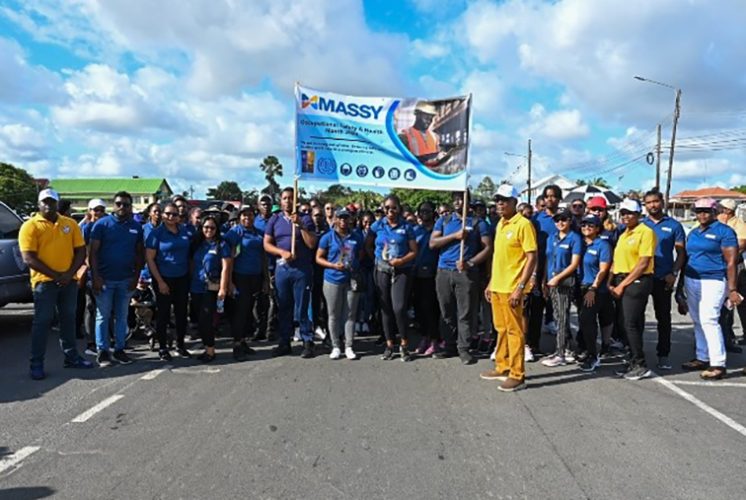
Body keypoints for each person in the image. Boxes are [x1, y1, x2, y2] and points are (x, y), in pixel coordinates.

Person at [19, 188, 93, 379]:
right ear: (38, 204)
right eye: (44, 201)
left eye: (51, 202)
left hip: (68, 281)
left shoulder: (69, 224)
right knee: (42, 322)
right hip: (44, 282)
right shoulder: (30, 226)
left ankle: (71, 358)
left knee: (68, 319)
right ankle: (36, 363)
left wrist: (69, 274)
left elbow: (80, 251)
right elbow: (29, 258)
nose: (48, 205)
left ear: (57, 204)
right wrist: (56, 275)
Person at [480, 184, 537, 392]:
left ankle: (517, 374)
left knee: (515, 331)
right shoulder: (500, 224)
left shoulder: (523, 224)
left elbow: (532, 257)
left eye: (504, 199)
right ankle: (502, 366)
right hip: (498, 286)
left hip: (513, 288)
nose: (500, 203)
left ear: (515, 202)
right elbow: (499, 258)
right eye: (497, 200)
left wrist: (520, 287)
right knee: (501, 329)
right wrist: (491, 282)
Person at [681, 198, 741, 379]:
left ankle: (718, 363)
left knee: (709, 320)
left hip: (714, 280)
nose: (702, 214)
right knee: (698, 320)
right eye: (698, 211)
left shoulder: (725, 231)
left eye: (706, 211)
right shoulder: (693, 233)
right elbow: (687, 259)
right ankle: (702, 356)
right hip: (692, 279)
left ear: (715, 212)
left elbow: (731, 262)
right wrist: (679, 288)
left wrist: (732, 289)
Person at [429, 191, 492, 364]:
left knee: (465, 313)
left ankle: (463, 348)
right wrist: (455, 236)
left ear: (468, 201)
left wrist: (470, 263)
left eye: (461, 199)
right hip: (443, 272)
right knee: (446, 312)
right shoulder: (444, 220)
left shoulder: (478, 223)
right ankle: (449, 345)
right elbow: (433, 243)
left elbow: (487, 248)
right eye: (455, 199)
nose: (458, 202)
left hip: (466, 273)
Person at [88, 191, 144, 367]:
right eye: (119, 204)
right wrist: (96, 276)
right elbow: (93, 253)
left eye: (126, 204)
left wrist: (136, 277)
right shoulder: (102, 224)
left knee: (122, 316)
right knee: (103, 316)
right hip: (104, 279)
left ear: (130, 207)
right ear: (113, 205)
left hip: (126, 279)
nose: (122, 207)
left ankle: (119, 349)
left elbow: (139, 253)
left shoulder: (136, 227)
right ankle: (103, 351)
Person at [263, 187, 318, 358]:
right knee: (284, 307)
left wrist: (300, 225)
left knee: (302, 307)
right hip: (283, 269)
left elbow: (311, 244)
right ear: (281, 200)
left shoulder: (306, 219)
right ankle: (284, 341)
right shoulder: (275, 219)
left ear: (296, 200)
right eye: (285, 198)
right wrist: (281, 252)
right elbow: (266, 244)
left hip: (301, 269)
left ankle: (307, 341)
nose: (287, 201)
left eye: (290, 198)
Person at [366, 194, 418, 361]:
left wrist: (401, 260)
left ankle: (404, 343)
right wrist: (376, 259)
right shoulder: (377, 225)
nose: (390, 211)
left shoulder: (407, 226)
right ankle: (389, 344)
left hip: (402, 270)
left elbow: (414, 251)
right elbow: (368, 243)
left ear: (399, 208)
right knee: (385, 308)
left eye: (393, 207)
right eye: (387, 208)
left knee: (399, 307)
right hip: (382, 270)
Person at [609, 198, 656, 380]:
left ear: (638, 214)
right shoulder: (623, 234)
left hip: (637, 281)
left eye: (630, 213)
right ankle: (631, 360)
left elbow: (643, 263)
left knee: (631, 324)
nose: (625, 216)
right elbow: (617, 260)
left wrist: (622, 285)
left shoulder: (645, 232)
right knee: (624, 323)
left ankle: (640, 364)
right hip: (622, 279)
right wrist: (611, 280)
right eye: (623, 213)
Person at [642, 188, 686, 369]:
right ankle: (635, 354)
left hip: (663, 278)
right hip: (642, 277)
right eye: (648, 202)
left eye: (655, 201)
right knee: (635, 318)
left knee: (663, 318)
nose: (652, 205)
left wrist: (674, 273)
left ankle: (664, 354)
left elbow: (681, 253)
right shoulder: (640, 225)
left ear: (662, 202)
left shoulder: (674, 225)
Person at [146, 202, 192, 361]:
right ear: (163, 215)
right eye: (167, 214)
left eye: (174, 214)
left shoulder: (185, 231)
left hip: (182, 277)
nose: (171, 217)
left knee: (181, 313)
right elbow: (150, 259)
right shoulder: (156, 234)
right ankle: (163, 348)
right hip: (164, 278)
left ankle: (180, 345)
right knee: (163, 314)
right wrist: (160, 281)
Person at [316, 207, 364, 360]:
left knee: (350, 314)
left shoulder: (356, 236)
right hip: (332, 278)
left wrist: (352, 265)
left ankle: (349, 345)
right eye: (340, 218)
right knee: (333, 314)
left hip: (351, 278)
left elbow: (360, 254)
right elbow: (318, 258)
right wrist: (332, 265)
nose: (343, 221)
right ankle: (336, 345)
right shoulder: (327, 237)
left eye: (346, 218)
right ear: (335, 219)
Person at [541, 207, 583, 367]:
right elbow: (547, 259)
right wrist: (544, 279)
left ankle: (560, 353)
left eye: (563, 219)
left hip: (565, 281)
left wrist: (558, 278)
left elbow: (574, 263)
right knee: (559, 316)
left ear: (570, 221)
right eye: (557, 220)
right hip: (551, 281)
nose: (560, 222)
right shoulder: (551, 237)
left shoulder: (574, 238)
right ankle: (566, 349)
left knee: (562, 317)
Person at [224, 206, 266, 360]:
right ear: (239, 217)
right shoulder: (235, 233)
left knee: (248, 312)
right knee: (239, 312)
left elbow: (263, 257)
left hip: (255, 277)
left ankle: (242, 342)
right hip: (239, 277)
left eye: (250, 215)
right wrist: (229, 282)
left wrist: (265, 280)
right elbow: (228, 258)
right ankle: (236, 345)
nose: (247, 218)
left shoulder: (258, 233)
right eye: (244, 216)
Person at [190, 215, 232, 362]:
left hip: (211, 287)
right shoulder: (197, 244)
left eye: (212, 227)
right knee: (199, 321)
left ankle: (211, 350)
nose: (209, 230)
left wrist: (223, 288)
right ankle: (207, 346)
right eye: (206, 227)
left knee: (206, 319)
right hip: (196, 286)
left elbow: (226, 268)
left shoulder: (221, 245)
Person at [577, 214, 613, 372]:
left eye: (590, 225)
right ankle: (590, 349)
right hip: (581, 286)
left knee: (587, 319)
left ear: (598, 228)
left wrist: (593, 288)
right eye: (584, 224)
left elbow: (604, 269)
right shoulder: (581, 243)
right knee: (586, 320)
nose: (586, 228)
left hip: (596, 288)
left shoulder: (603, 245)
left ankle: (593, 355)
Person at [77, 198, 107, 355]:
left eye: (101, 210)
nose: (99, 213)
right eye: (96, 210)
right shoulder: (86, 228)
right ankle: (91, 343)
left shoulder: (109, 226)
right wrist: (93, 271)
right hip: (91, 272)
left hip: (107, 271)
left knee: (107, 308)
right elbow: (85, 251)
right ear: (89, 211)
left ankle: (106, 340)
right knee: (90, 307)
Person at [411, 201, 441, 356]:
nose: (424, 214)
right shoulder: (415, 230)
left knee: (432, 309)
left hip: (434, 274)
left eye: (427, 211)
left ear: (433, 213)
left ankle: (435, 340)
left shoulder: (439, 230)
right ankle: (425, 337)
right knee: (420, 309)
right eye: (421, 211)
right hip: (417, 274)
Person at [716, 198, 746, 351]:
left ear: (728, 210)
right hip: (718, 264)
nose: (718, 210)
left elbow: (742, 243)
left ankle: (729, 338)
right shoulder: (717, 221)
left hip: (734, 265)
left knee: (735, 300)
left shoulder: (738, 223)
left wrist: (725, 250)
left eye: (720, 208)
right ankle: (727, 336)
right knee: (723, 304)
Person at [254, 194, 277, 341]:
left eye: (268, 204)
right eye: (263, 204)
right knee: (257, 302)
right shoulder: (254, 222)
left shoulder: (277, 220)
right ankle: (258, 329)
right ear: (258, 206)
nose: (266, 206)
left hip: (273, 266)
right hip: (256, 267)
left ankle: (270, 330)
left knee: (272, 301)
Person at [399, 102, 443, 166]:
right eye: (426, 117)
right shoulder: (404, 136)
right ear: (417, 115)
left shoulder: (435, 137)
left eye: (431, 118)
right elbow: (404, 160)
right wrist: (433, 157)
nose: (429, 121)